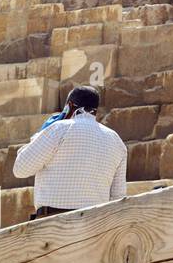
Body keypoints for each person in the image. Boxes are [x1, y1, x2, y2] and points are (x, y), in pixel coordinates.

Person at [12, 86, 127, 219]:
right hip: (95, 223)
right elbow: (118, 197)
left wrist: (39, 135)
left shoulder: (59, 128)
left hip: (54, 221)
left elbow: (20, 169)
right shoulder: (116, 141)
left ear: (69, 105)